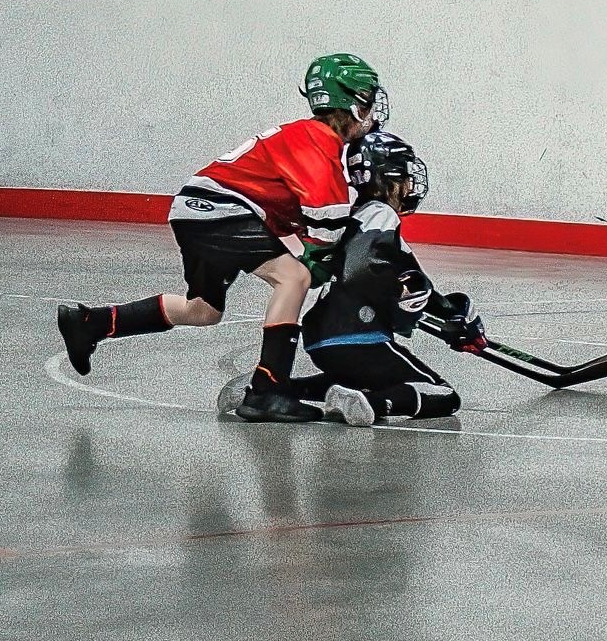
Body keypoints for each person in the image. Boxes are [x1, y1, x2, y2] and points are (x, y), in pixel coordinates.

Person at [55, 53, 387, 422]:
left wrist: (314, 249)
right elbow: (327, 222)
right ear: (352, 104)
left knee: (203, 310)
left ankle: (91, 323)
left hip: (196, 210)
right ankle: (268, 391)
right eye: (368, 99)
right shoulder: (317, 141)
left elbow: (294, 214)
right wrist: (327, 258)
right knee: (294, 278)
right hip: (219, 212)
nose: (372, 110)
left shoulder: (301, 135)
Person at [216, 131, 487, 426]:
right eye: (406, 176)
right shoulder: (381, 215)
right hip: (359, 333)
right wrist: (404, 300)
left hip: (324, 337)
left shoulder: (354, 219)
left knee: (356, 379)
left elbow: (406, 279)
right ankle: (370, 403)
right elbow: (365, 269)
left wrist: (450, 315)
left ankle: (267, 389)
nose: (410, 185)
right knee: (444, 394)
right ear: (390, 180)